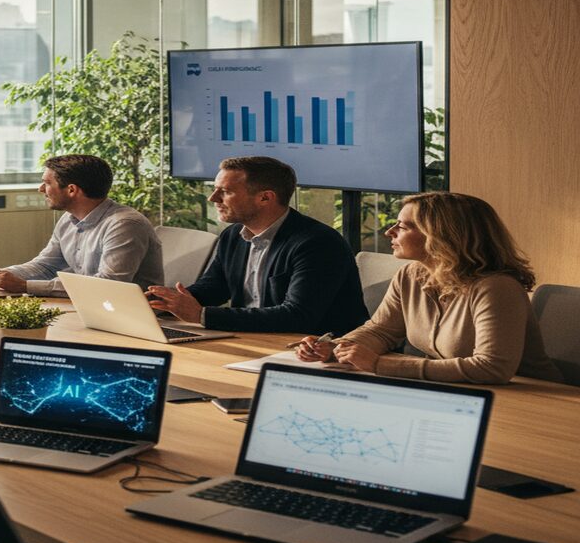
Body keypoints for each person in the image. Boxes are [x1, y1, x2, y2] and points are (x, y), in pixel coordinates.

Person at [296, 192, 561, 384]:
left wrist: (379, 364)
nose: (390, 232)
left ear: (440, 236)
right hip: (461, 393)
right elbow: (381, 330)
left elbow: (492, 368)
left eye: (402, 226)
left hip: (531, 399)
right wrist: (337, 347)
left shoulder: (496, 288)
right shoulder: (411, 274)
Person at [147, 156, 367, 334]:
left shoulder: (318, 243)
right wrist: (166, 302)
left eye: (225, 191)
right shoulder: (233, 235)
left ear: (265, 198)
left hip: (312, 351)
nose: (213, 198)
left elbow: (297, 317)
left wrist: (201, 315)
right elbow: (214, 288)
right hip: (253, 339)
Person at [0, 154, 163, 298]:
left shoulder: (124, 225)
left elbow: (108, 285)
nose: (40, 189)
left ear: (71, 190)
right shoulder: (68, 220)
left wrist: (25, 286)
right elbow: (45, 266)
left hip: (129, 316)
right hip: (87, 306)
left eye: (47, 183)